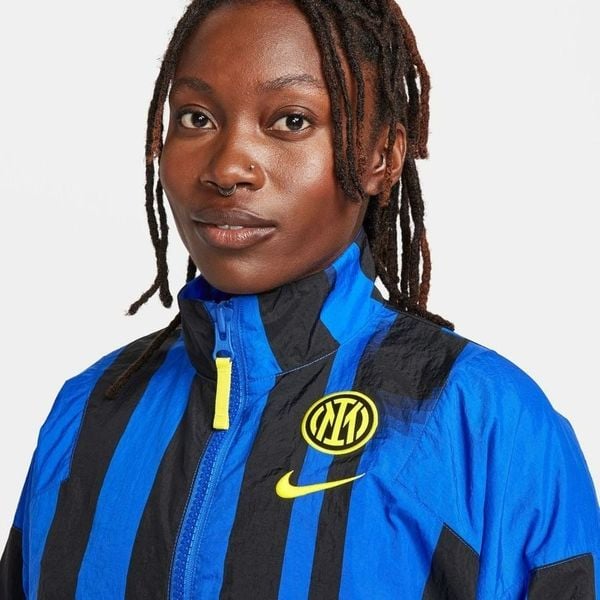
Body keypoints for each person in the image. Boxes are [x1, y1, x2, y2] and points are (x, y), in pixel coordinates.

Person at [1, 0, 598, 597]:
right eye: (196, 118)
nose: (227, 168)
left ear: (381, 157)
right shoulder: (88, 412)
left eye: (291, 120)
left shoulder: (484, 420)